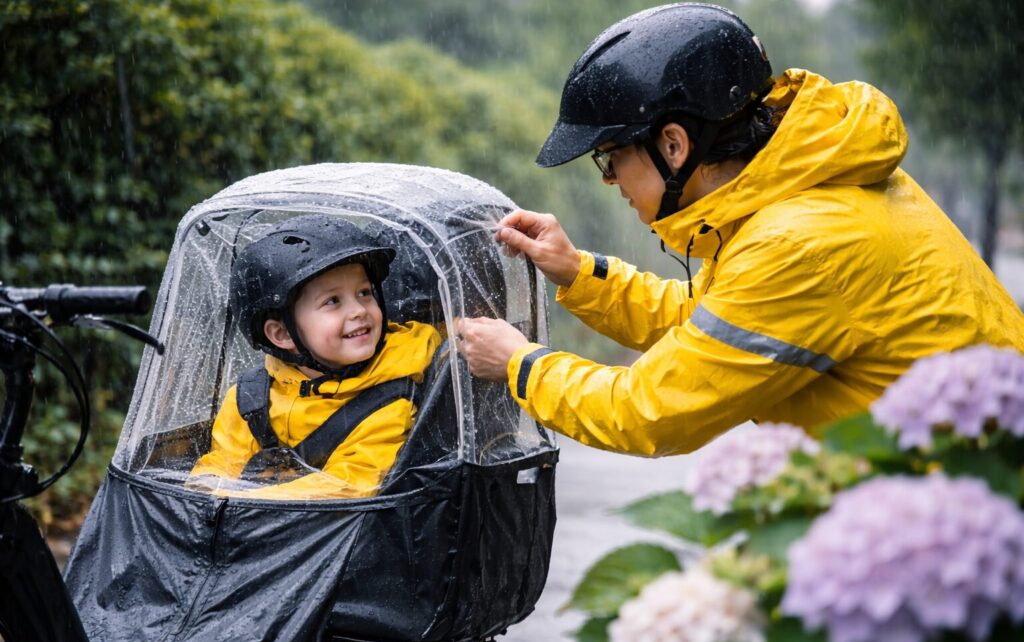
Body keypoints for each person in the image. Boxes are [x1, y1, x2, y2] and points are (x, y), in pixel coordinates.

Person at [456, 3, 1024, 456]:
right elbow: (713, 325)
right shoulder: (802, 187)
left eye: (611, 156)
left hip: (971, 529)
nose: (609, 179)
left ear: (673, 145)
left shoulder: (799, 244)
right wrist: (578, 272)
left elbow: (650, 410)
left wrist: (519, 363)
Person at [188, 214, 440, 499]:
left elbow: (350, 485)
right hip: (261, 521)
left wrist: (241, 502)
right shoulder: (250, 398)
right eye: (333, 301)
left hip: (334, 526)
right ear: (282, 334)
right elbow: (224, 462)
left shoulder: (393, 396)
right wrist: (204, 491)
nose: (359, 310)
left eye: (365, 292)